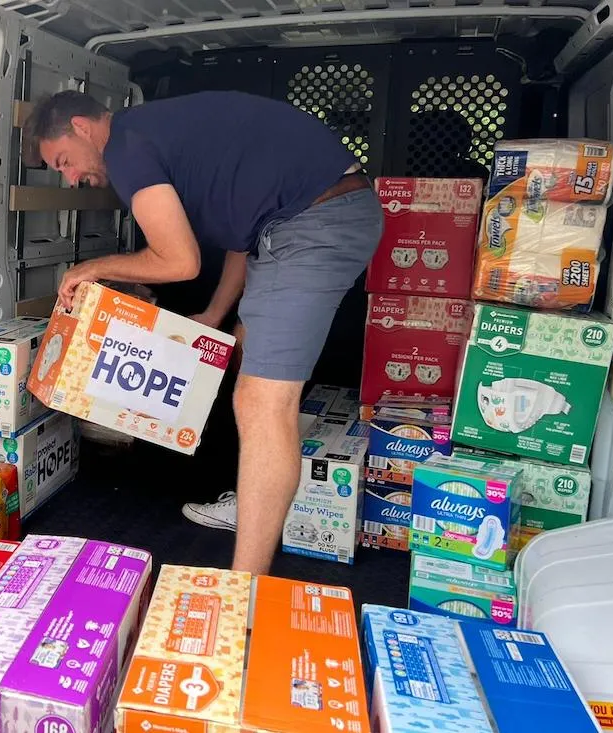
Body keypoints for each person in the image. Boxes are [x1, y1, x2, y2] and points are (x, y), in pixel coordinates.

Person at [21, 89, 384, 575]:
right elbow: (241, 236)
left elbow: (180, 261)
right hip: (294, 224)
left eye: (64, 161)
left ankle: (243, 586)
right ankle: (258, 498)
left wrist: (91, 268)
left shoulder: (126, 147)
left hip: (312, 224)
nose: (69, 179)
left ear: (84, 128)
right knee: (244, 352)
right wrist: (216, 314)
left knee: (261, 402)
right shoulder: (167, 137)